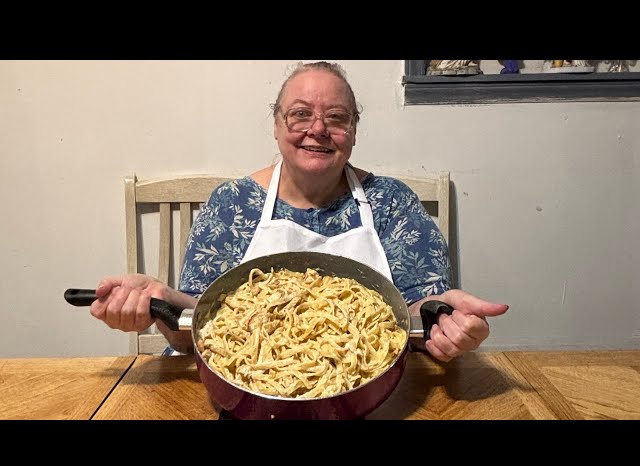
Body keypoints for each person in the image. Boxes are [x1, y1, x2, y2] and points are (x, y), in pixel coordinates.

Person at [90, 61, 509, 363]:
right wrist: (162, 299)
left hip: (369, 390)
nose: (318, 129)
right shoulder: (232, 204)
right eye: (300, 115)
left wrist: (443, 315)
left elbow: (417, 311)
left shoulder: (392, 202)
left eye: (336, 118)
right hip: (245, 393)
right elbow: (201, 321)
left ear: (354, 132)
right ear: (275, 125)